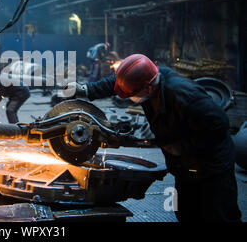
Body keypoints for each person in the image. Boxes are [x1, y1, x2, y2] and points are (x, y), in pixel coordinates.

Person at [70, 54, 241, 222]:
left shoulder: (185, 95)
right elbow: (116, 83)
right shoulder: (149, 79)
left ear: (148, 88)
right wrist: (86, 90)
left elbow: (219, 126)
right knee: (186, 213)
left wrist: (180, 147)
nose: (130, 98)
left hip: (211, 168)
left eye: (132, 95)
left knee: (219, 215)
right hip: (183, 168)